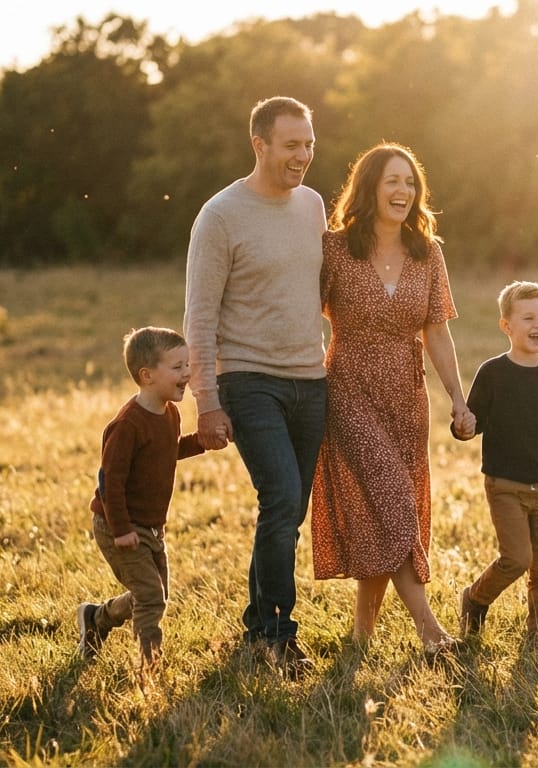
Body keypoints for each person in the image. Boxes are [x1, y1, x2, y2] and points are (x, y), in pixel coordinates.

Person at [309, 142, 475, 659]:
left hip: (407, 395)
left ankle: (360, 636)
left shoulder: (429, 251)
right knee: (394, 502)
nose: (402, 191)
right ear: (370, 188)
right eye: (392, 182)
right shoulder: (334, 248)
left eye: (410, 183)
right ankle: (430, 632)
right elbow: (299, 312)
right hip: (348, 389)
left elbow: (437, 332)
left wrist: (458, 397)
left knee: (382, 514)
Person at [183, 96, 328, 676]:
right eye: (291, 144)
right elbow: (200, 314)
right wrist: (208, 401)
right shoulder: (220, 215)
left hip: (310, 379)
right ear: (260, 145)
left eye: (309, 144)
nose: (303, 156)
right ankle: (277, 635)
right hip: (247, 379)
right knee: (282, 499)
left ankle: (256, 626)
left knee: (287, 512)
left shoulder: (314, 206)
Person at [77, 327, 221, 670]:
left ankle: (96, 618)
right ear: (147, 375)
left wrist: (202, 441)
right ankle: (149, 670)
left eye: (187, 364)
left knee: (155, 596)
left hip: (153, 527)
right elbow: (111, 482)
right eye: (177, 367)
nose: (187, 373)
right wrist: (122, 529)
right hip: (120, 526)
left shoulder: (169, 413)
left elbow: (166, 451)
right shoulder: (127, 425)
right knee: (151, 598)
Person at [454, 280, 538, 646]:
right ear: (506, 326)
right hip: (505, 485)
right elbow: (473, 422)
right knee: (516, 557)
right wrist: (462, 427)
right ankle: (475, 599)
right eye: (528, 317)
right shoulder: (493, 373)